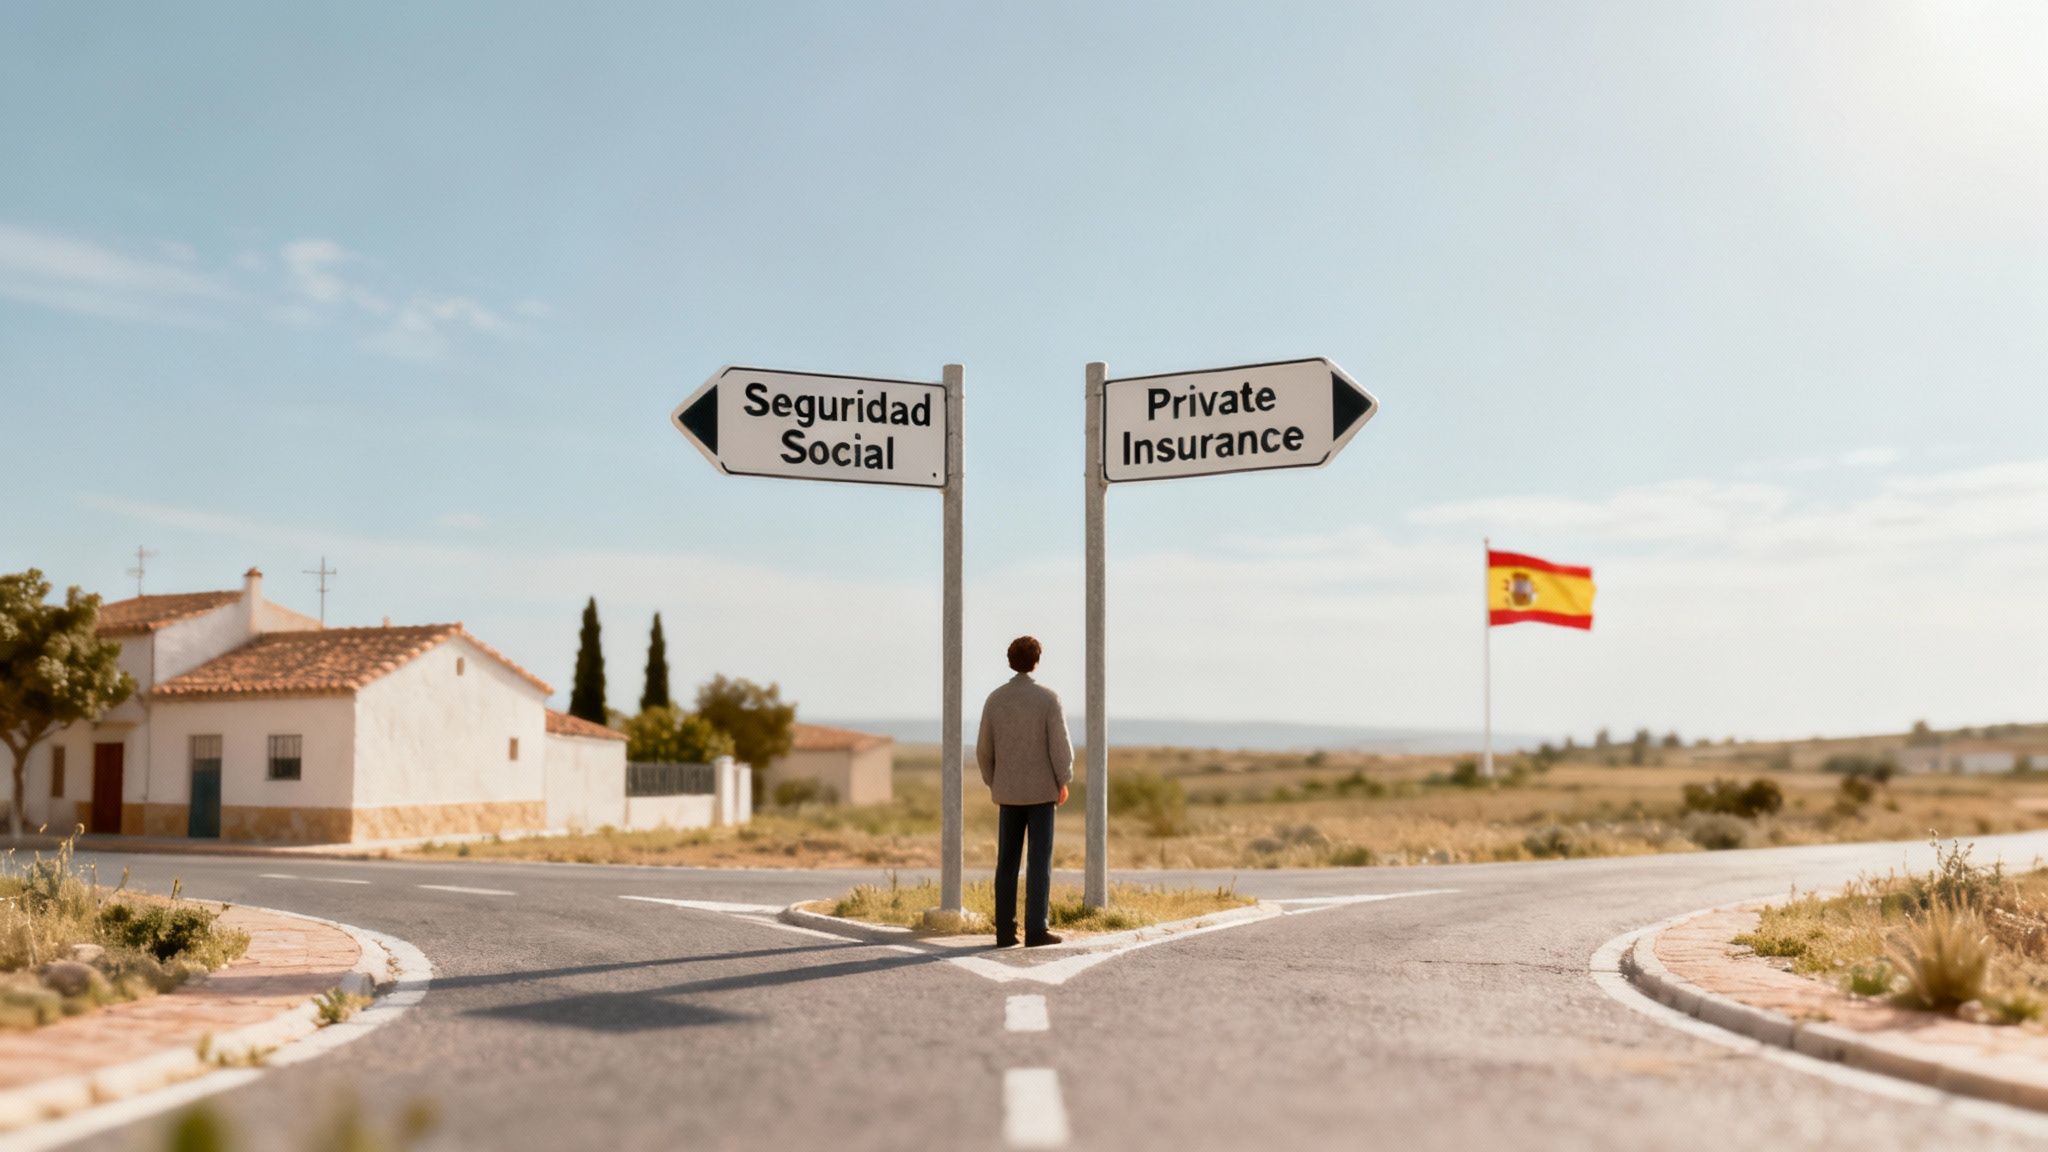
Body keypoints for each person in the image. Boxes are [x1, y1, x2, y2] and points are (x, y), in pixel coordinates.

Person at [975, 635, 1073, 948]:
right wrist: (1063, 779)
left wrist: (995, 781)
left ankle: (1005, 931)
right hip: (1042, 792)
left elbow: (983, 750)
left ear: (1010, 660)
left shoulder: (995, 699)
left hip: (1008, 793)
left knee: (1006, 863)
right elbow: (1061, 747)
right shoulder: (1048, 698)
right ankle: (1036, 929)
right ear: (1037, 661)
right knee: (1038, 862)